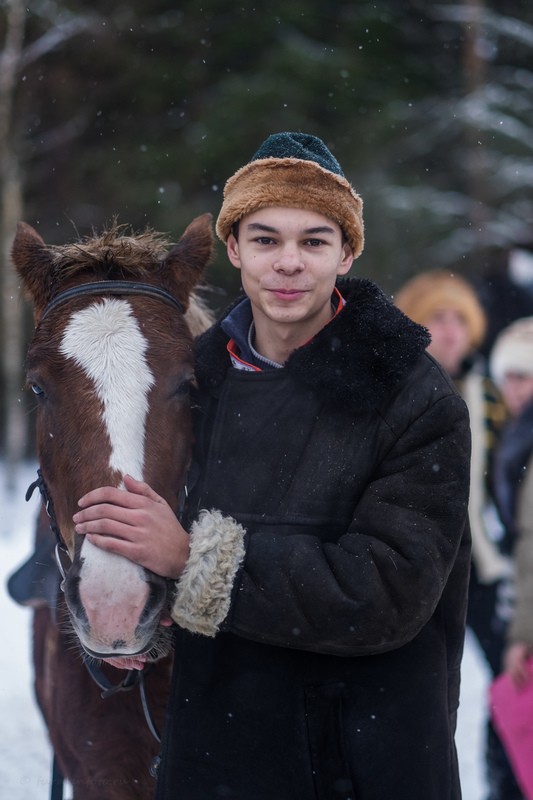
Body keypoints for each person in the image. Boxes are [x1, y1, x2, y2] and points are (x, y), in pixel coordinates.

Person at [72, 132, 472, 800]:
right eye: (264, 239)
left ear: (346, 253)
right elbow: (152, 537)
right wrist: (145, 613)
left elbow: (385, 593)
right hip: (217, 761)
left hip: (369, 763)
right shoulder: (186, 389)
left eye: (313, 241)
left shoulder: (412, 394)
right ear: (233, 249)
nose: (287, 263)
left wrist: (192, 561)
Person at [394, 272, 522, 800]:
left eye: (460, 321)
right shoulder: (394, 386)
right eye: (437, 318)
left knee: (510, 680)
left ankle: (509, 778)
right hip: (409, 559)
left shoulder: (491, 396)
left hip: (484, 561)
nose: (450, 332)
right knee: (410, 685)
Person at [489, 319, 533, 692]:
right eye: (508, 377)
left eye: (524, 376)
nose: (513, 389)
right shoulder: (514, 438)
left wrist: (523, 633)